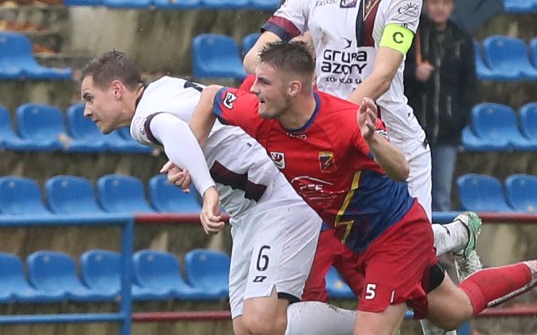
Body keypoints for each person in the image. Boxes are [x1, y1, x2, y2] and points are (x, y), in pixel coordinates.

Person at [190, 40, 537, 335]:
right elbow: (209, 97)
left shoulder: (347, 124)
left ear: (294, 89)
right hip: (359, 239)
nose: (251, 89)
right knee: (454, 312)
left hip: (396, 238)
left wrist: (374, 140)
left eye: (262, 82)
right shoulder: (257, 111)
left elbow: (400, 170)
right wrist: (187, 161)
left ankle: (457, 237)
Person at [244, 0, 482, 320]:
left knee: (419, 265)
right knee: (410, 282)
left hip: (388, 135)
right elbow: (255, 59)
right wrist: (295, 57)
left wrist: (334, 121)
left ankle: (454, 236)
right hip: (330, 142)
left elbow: (383, 72)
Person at [79, 50, 357, 335]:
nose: (86, 110)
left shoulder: (142, 121)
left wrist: (207, 189)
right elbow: (192, 128)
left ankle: (370, 326)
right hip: (249, 212)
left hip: (280, 195)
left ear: (116, 90)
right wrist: (188, 162)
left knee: (262, 322)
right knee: (245, 328)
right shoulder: (163, 88)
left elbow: (173, 128)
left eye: (89, 97)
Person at [404, 0, 477, 213]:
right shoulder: (414, 37)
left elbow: (469, 86)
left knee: (441, 198)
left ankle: (439, 249)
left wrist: (459, 119)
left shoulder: (462, 41)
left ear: (452, 5)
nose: (439, 7)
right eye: (434, 1)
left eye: (445, 2)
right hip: (416, 130)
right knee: (412, 196)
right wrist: (414, 74)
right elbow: (396, 76)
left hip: (448, 133)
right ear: (425, 4)